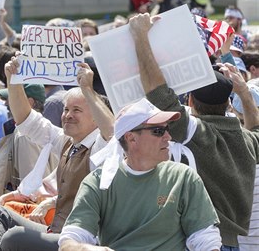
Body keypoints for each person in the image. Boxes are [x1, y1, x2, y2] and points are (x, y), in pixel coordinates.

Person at [131, 12, 259, 249]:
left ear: (190, 102)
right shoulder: (247, 140)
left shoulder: (196, 132)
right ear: (228, 104)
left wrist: (140, 37)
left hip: (202, 241)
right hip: (232, 244)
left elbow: (158, 93)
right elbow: (257, 127)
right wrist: (243, 92)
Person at [0, 62, 114, 251]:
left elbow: (113, 133)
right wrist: (13, 78)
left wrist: (88, 90)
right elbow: (27, 120)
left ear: (95, 118)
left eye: (77, 110)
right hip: (55, 230)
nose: (67, 115)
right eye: (66, 109)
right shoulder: (67, 141)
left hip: (80, 241)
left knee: (14, 238)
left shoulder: (101, 148)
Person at [58, 98, 222, 251]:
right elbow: (70, 240)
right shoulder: (98, 182)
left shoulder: (184, 177)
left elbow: (206, 239)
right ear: (131, 138)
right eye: (158, 131)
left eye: (167, 129)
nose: (168, 137)